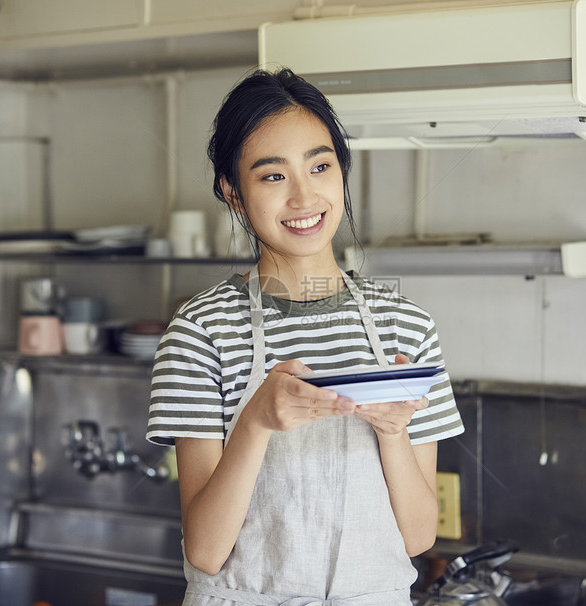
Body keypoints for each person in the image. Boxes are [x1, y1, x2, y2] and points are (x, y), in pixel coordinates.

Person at [146, 67, 464, 606]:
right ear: (233, 192)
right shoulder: (200, 332)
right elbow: (204, 550)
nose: (303, 195)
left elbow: (418, 537)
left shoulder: (406, 327)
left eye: (320, 166)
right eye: (273, 176)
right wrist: (256, 422)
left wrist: (391, 432)